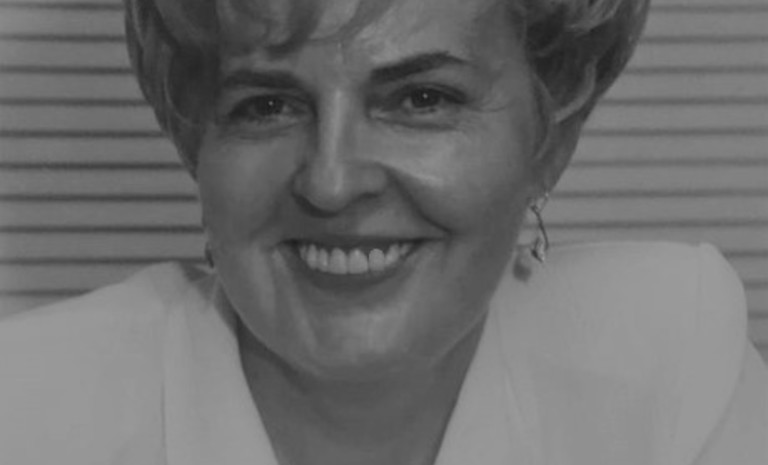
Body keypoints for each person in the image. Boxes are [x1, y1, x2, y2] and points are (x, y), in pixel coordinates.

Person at [1, 0, 766, 463]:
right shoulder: (29, 413)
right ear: (198, 145)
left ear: (549, 137)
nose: (331, 181)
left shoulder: (666, 358)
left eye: (422, 99)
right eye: (267, 105)